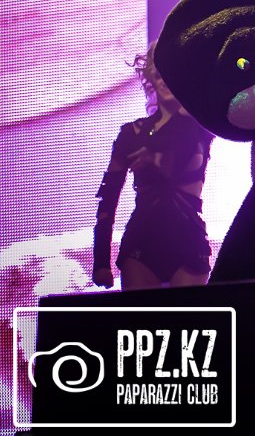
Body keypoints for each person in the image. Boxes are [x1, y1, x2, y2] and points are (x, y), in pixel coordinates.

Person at [92, 42, 214, 290]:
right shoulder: (131, 134)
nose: (166, 81)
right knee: (143, 314)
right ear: (151, 79)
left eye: (172, 73)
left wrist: (155, 159)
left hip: (188, 239)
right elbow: (108, 197)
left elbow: (182, 153)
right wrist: (101, 261)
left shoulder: (199, 125)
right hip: (142, 240)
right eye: (159, 75)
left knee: (190, 315)